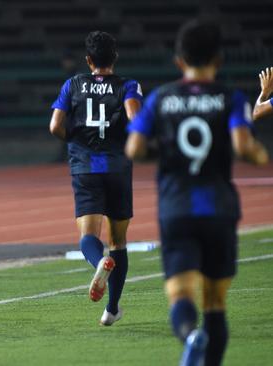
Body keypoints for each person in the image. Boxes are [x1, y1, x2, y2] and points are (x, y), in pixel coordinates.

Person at [125, 19, 269, 366]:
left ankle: (191, 335)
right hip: (219, 208)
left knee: (180, 293)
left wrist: (166, 150)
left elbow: (134, 148)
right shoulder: (229, 98)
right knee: (216, 303)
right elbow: (245, 148)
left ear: (178, 61)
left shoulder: (162, 98)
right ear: (218, 60)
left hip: (176, 208)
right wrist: (258, 152)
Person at [49, 31, 142, 326]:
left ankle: (97, 262)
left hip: (85, 165)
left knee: (89, 235)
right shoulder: (128, 84)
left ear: (88, 60)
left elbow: (55, 126)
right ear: (114, 57)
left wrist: (75, 141)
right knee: (119, 240)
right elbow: (134, 118)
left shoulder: (72, 84)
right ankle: (112, 308)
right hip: (117, 165)